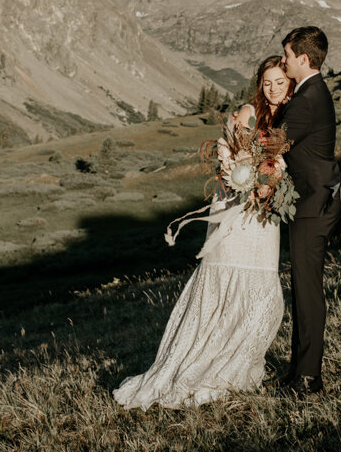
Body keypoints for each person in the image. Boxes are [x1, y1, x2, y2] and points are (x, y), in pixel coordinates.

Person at [112, 56, 294, 409]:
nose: (272, 88)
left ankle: (238, 364)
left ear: (288, 84)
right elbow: (224, 153)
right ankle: (200, 365)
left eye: (279, 82)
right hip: (235, 208)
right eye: (267, 82)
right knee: (224, 278)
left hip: (264, 214)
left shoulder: (287, 119)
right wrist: (242, 176)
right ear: (260, 85)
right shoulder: (248, 113)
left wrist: (271, 183)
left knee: (260, 287)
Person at [275, 25, 341, 395]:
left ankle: (308, 378)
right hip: (316, 199)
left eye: (287, 55)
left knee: (307, 291)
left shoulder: (307, 98)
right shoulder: (310, 92)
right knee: (303, 289)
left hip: (312, 203)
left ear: (303, 58)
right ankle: (298, 371)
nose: (284, 61)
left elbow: (275, 145)